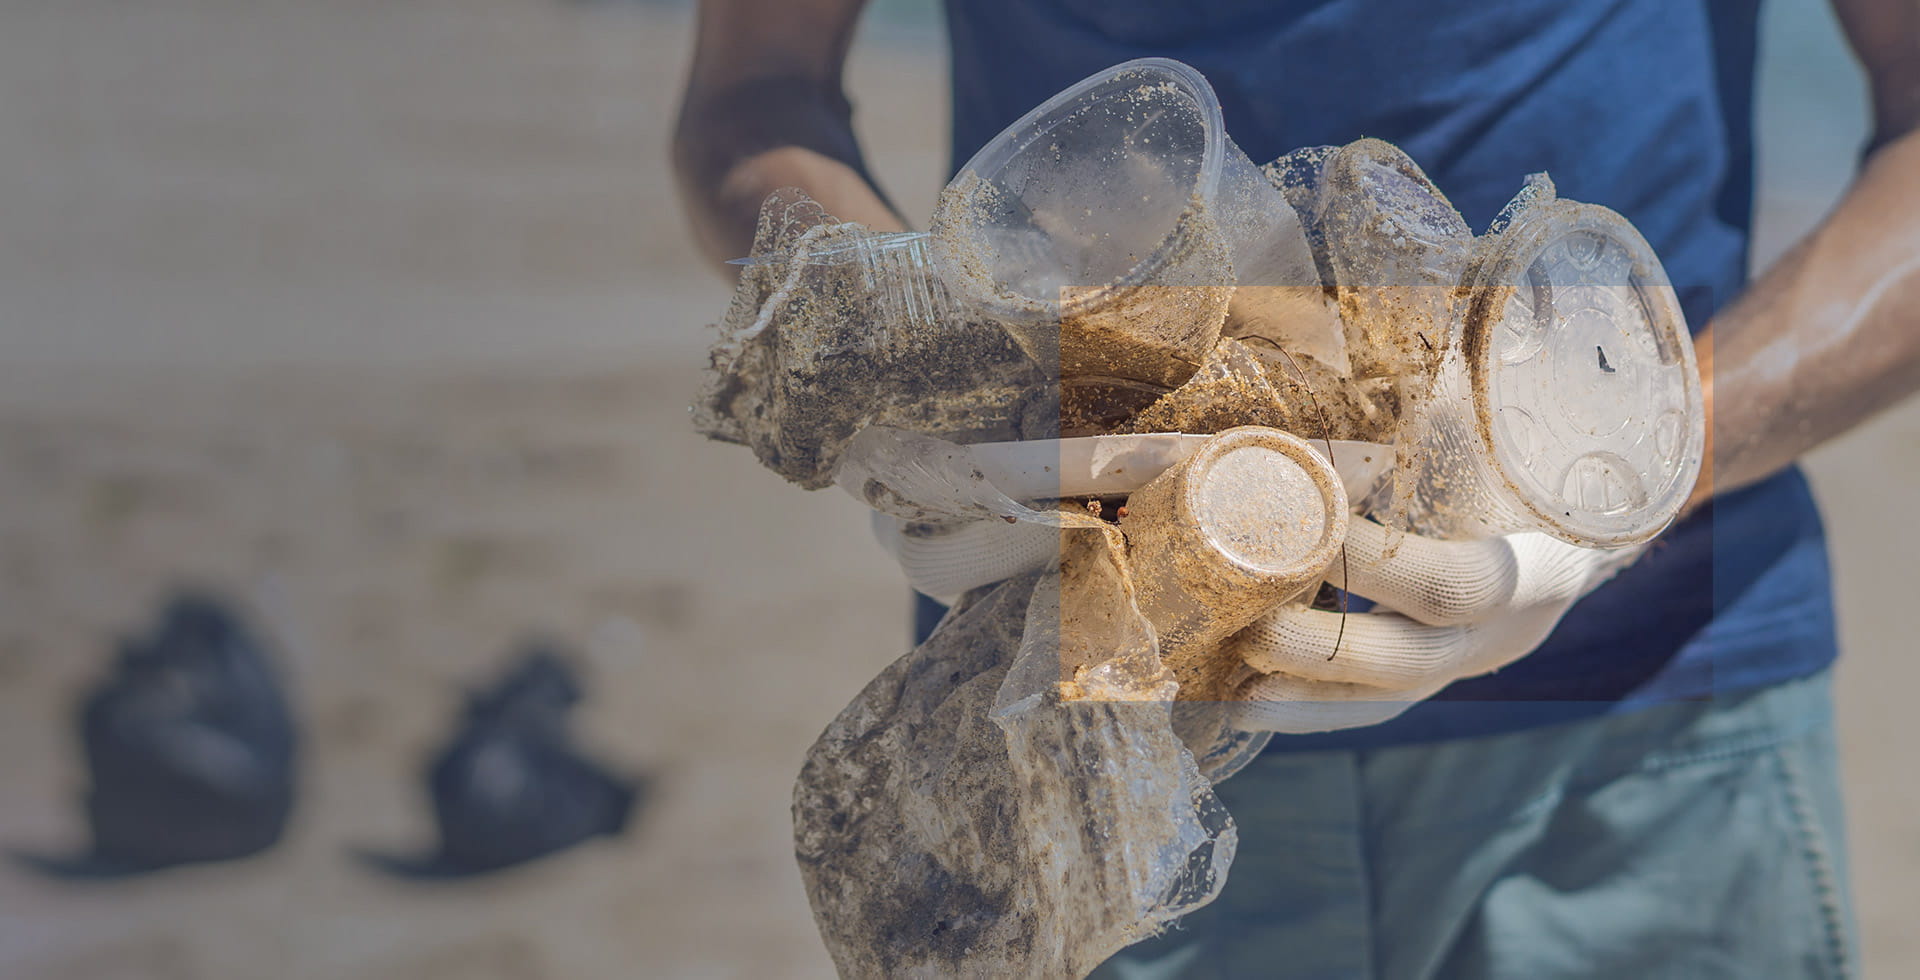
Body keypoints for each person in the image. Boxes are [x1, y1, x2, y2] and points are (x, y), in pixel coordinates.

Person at [675, 0, 1918, 975]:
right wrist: (907, 360)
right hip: (1091, 684)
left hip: (1652, 710)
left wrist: (1622, 485)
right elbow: (754, 90)